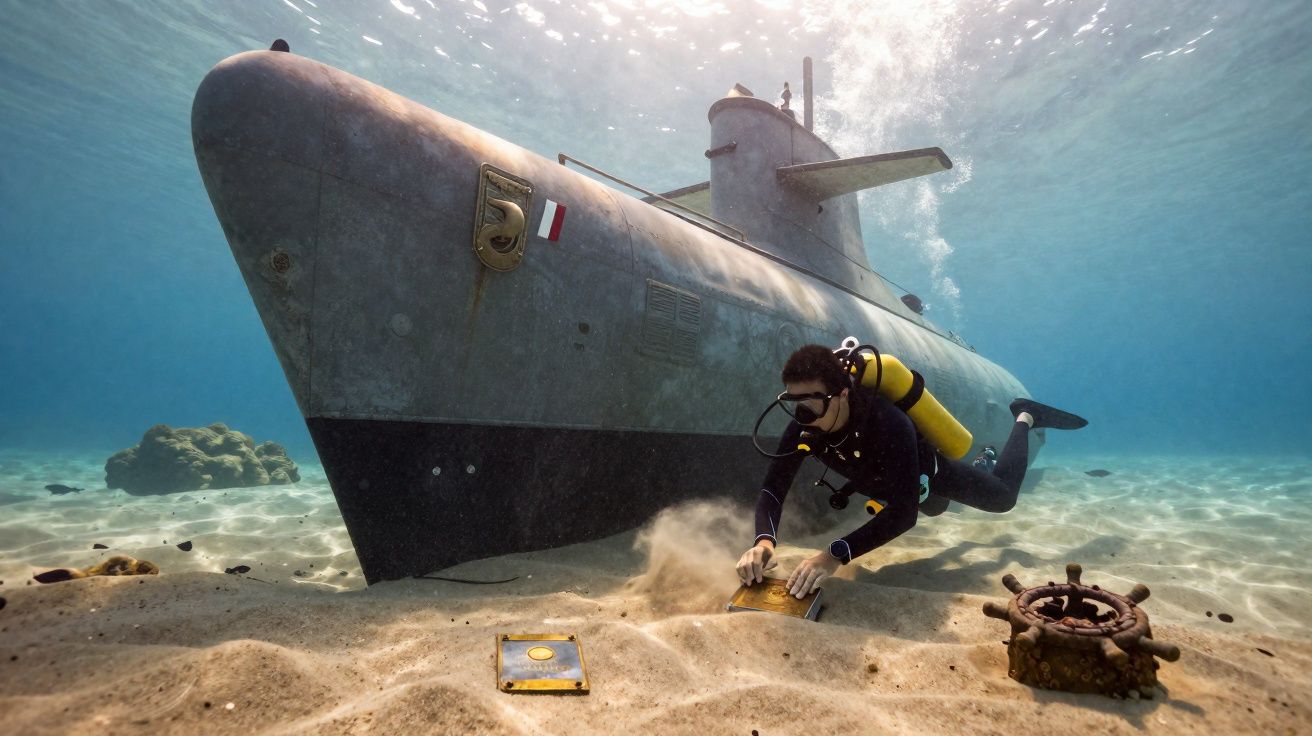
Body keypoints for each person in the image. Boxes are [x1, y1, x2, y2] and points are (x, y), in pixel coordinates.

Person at [736, 344, 1087, 599]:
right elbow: (772, 489)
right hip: (886, 486)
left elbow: (904, 514)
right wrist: (763, 541)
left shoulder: (888, 420)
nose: (802, 419)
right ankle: (984, 459)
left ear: (842, 394)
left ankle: (1025, 417)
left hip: (927, 477)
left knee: (1002, 498)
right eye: (794, 405)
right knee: (937, 508)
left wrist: (834, 554)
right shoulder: (804, 426)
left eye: (810, 407)